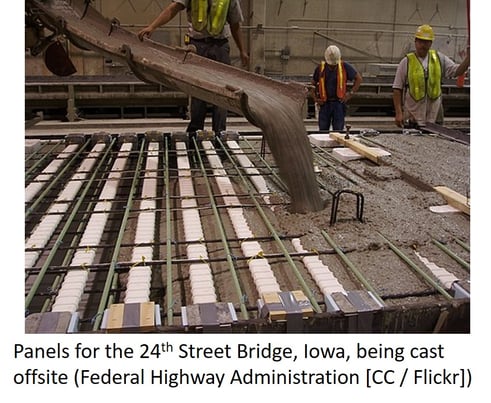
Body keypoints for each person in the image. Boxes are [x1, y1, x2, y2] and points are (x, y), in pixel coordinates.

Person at [138, 0, 249, 135]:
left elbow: (235, 23)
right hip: (197, 45)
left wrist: (242, 50)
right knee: (196, 91)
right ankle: (195, 133)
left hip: (220, 46)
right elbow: (173, 8)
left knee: (223, 92)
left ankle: (220, 134)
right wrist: (152, 27)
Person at [392, 24, 470, 128]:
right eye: (420, 41)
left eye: (426, 42)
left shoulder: (439, 58)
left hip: (435, 115)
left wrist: (469, 59)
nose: (423, 45)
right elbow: (397, 89)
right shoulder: (406, 62)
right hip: (413, 117)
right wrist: (398, 112)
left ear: (431, 43)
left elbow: (457, 71)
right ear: (415, 41)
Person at [311, 45, 362, 131]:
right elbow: (312, 84)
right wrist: (315, 98)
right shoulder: (320, 68)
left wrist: (350, 94)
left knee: (338, 131)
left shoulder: (344, 67)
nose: (332, 66)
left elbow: (358, 79)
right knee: (323, 131)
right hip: (324, 104)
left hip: (338, 103)